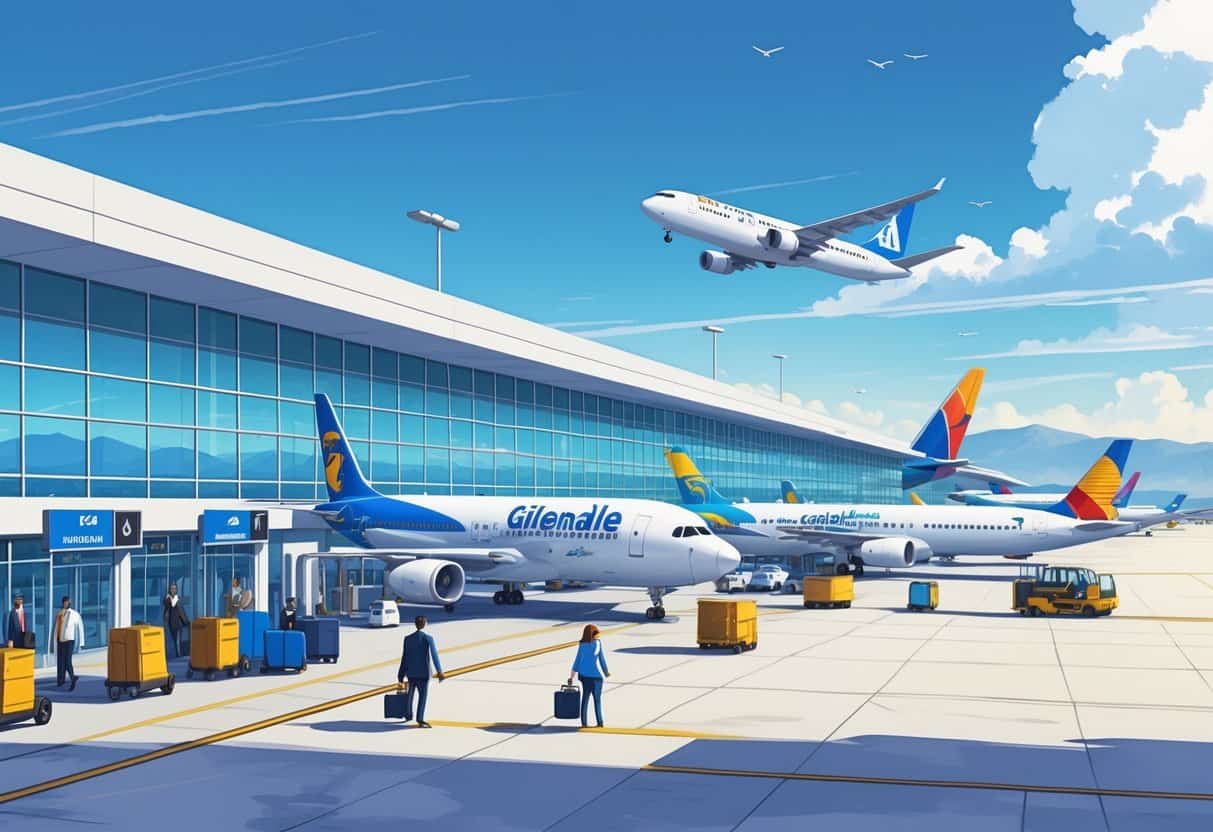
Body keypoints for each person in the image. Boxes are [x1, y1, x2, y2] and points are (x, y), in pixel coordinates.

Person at [397, 615, 445, 728]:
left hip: (411, 673)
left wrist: (400, 674)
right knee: (422, 697)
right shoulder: (428, 638)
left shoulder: (407, 639)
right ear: (424, 624)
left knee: (409, 695)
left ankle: (408, 714)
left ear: (415, 624)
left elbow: (405, 657)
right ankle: (420, 718)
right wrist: (439, 671)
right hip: (423, 674)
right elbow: (434, 655)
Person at [567, 624, 611, 728]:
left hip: (584, 676)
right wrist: (606, 672)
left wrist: (571, 676)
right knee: (597, 700)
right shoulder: (598, 644)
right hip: (596, 677)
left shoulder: (582, 644)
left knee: (585, 699)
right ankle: (600, 722)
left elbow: (577, 660)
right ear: (593, 634)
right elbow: (601, 659)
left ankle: (584, 723)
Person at [52, 596, 84, 690]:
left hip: (69, 640)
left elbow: (80, 628)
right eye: (64, 602)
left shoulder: (74, 614)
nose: (66, 603)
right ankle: (60, 680)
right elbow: (56, 627)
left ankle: (72, 678)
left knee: (67, 661)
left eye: (67, 602)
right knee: (60, 661)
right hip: (60, 640)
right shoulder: (59, 613)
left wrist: (81, 643)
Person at [162, 583, 189, 658]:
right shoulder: (167, 599)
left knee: (177, 640)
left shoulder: (177, 599)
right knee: (172, 639)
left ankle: (178, 654)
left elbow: (181, 612)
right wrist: (169, 598)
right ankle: (174, 654)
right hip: (170, 623)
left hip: (178, 623)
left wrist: (186, 622)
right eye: (172, 588)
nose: (173, 590)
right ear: (169, 590)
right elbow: (166, 604)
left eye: (174, 588)